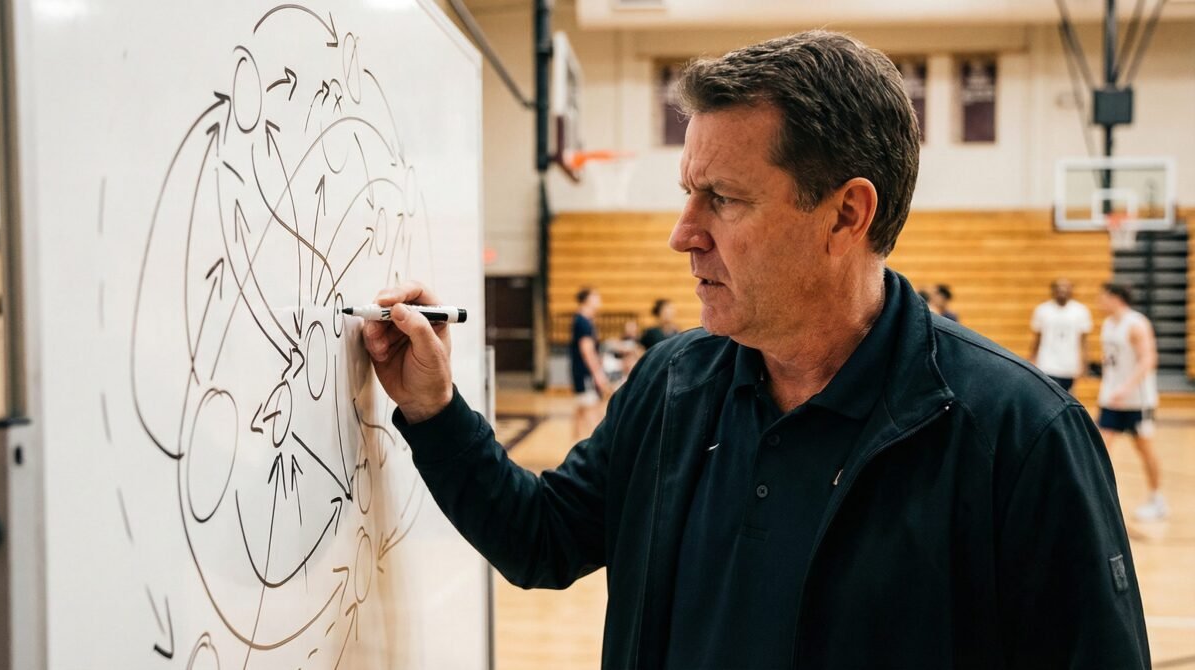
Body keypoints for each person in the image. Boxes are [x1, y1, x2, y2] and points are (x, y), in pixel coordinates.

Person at [362, 31, 1148, 668]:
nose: (683, 234)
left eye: (724, 199)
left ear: (846, 215)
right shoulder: (670, 384)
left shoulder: (1019, 437)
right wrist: (432, 407)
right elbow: (540, 540)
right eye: (687, 193)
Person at [1097, 282, 1167, 521]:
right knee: (1100, 446)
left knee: (1144, 449)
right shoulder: (1108, 324)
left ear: (1115, 298)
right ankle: (1098, 501)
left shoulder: (1136, 324)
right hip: (1111, 399)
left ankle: (1157, 499)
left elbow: (1148, 359)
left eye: (1103, 297)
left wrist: (1126, 388)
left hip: (1137, 401)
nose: (1100, 301)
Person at [1029, 278, 1092, 392]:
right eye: (1059, 287)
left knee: (1067, 396)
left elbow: (1084, 341)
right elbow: (1037, 338)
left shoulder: (1080, 310)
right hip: (1047, 363)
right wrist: (1032, 358)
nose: (1062, 290)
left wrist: (1085, 364)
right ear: (1053, 290)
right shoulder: (1042, 310)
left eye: (1066, 287)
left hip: (1069, 365)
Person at [569, 287, 610, 439]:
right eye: (596, 297)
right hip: (585, 373)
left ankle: (573, 446)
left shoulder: (584, 320)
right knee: (592, 412)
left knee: (581, 411)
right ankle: (595, 451)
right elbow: (587, 351)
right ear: (587, 300)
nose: (599, 300)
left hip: (581, 372)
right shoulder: (583, 322)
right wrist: (598, 374)